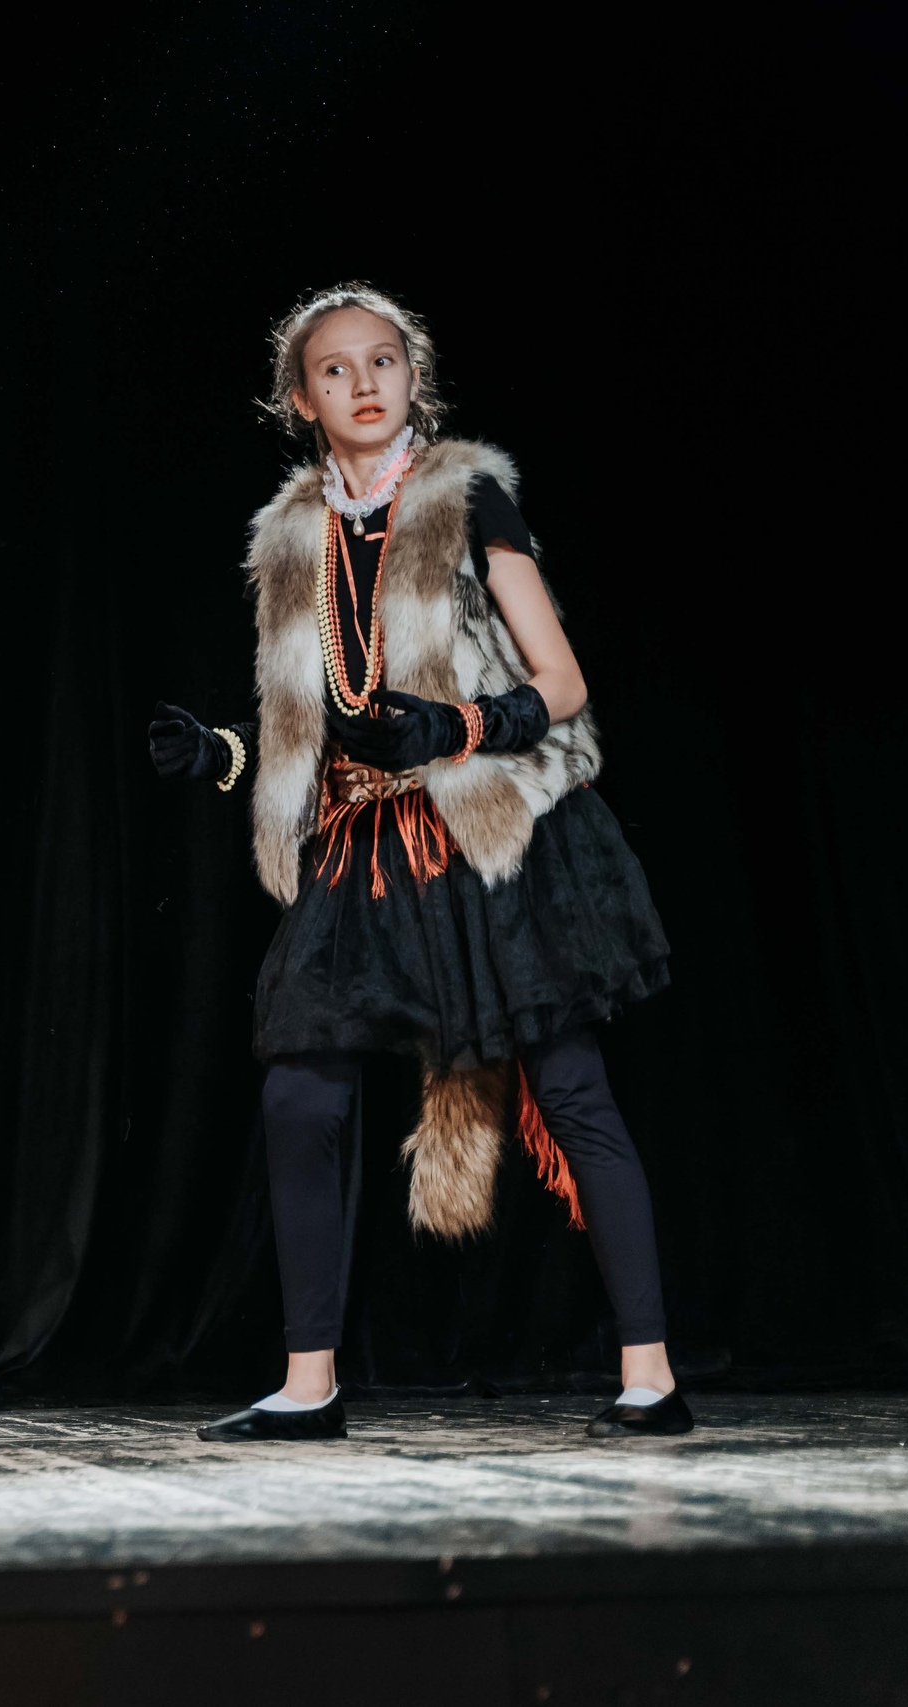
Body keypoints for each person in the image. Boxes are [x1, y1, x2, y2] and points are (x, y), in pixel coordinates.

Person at [151, 287, 688, 1442]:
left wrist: (455, 726)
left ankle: (650, 1375)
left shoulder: (463, 494)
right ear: (301, 400)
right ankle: (308, 1384)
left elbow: (560, 679)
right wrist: (224, 753)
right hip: (367, 844)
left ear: (413, 376)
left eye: (382, 361)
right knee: (299, 1091)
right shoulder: (289, 540)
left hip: (485, 823)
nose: (363, 384)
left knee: (568, 1085)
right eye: (334, 370)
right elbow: (303, 725)